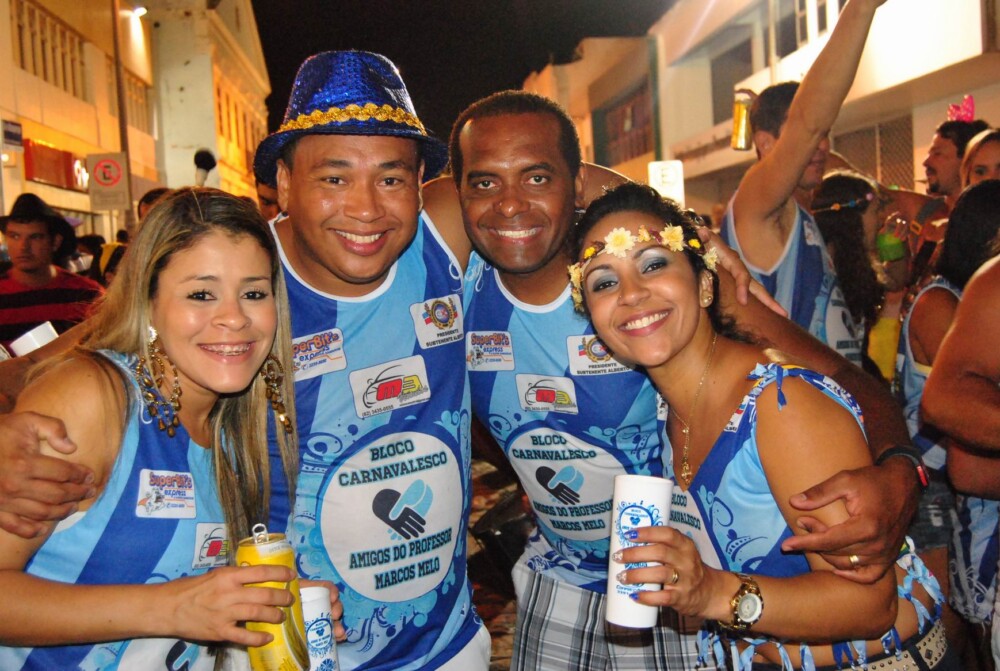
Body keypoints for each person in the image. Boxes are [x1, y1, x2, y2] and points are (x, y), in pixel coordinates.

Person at [427, 81, 925, 669]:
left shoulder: (675, 291)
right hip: (563, 577)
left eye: (538, 177)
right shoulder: (455, 283)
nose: (510, 204)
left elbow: (839, 377)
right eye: (485, 183)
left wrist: (901, 469)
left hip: (684, 583)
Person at [571, 181, 956, 670]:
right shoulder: (668, 414)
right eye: (604, 282)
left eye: (653, 264)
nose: (631, 294)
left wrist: (713, 593)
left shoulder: (780, 404)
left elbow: (870, 606)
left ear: (705, 284)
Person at [251, 50, 488, 670]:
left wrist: (691, 241)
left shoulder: (440, 238)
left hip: (447, 645)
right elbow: (95, 356)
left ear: (419, 184)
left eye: (391, 178)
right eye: (334, 179)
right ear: (284, 184)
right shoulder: (236, 276)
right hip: (298, 653)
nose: (366, 208)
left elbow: (555, 171)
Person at [0, 187, 304, 669]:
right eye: (201, 294)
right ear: (149, 300)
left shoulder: (235, 423)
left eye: (253, 293)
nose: (234, 318)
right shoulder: (93, 395)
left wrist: (269, 608)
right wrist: (172, 607)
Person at [718, 0, 884, 365]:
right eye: (813, 138)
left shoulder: (798, 208)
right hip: (789, 393)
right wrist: (860, 9)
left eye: (827, 136)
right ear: (765, 144)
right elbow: (807, 124)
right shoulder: (755, 203)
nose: (821, 146)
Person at [898, 181, 1000, 670]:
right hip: (934, 483)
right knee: (945, 628)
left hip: (957, 485)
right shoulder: (943, 300)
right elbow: (968, 400)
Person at [0, 193, 104, 351]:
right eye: (14, 236)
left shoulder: (87, 295)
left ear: (55, 242)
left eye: (35, 237)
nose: (23, 246)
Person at [811, 171, 886, 378]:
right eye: (876, 211)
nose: (881, 219)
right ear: (852, 219)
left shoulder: (853, 267)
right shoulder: (818, 266)